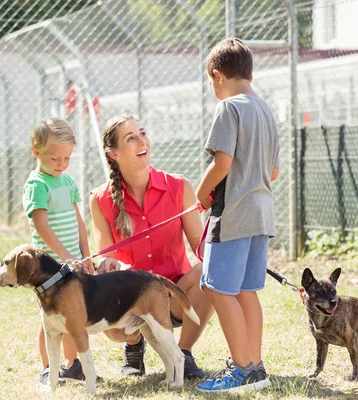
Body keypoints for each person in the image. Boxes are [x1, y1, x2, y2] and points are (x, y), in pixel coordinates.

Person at [89, 114, 214, 380]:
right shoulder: (100, 199)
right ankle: (134, 346)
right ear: (113, 154)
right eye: (130, 138)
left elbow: (201, 246)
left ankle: (184, 352)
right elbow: (107, 259)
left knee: (211, 268)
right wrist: (110, 267)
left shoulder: (179, 186)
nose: (141, 141)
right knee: (112, 327)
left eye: (142, 133)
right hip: (133, 299)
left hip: (175, 294)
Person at [194, 38, 280, 392]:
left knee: (215, 287)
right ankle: (255, 367)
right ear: (250, 72)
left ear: (217, 76)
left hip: (233, 214)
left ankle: (242, 370)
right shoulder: (265, 109)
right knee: (246, 290)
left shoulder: (228, 108)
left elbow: (223, 163)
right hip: (262, 213)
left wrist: (201, 194)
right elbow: (273, 172)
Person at [21, 118, 94, 389]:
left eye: (67, 158)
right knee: (50, 318)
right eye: (55, 158)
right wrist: (64, 255)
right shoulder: (37, 185)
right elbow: (42, 226)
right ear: (36, 152)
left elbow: (78, 222)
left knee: (73, 314)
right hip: (49, 266)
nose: (61, 164)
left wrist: (85, 256)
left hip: (73, 261)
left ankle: (71, 365)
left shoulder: (67, 181)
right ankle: (47, 368)